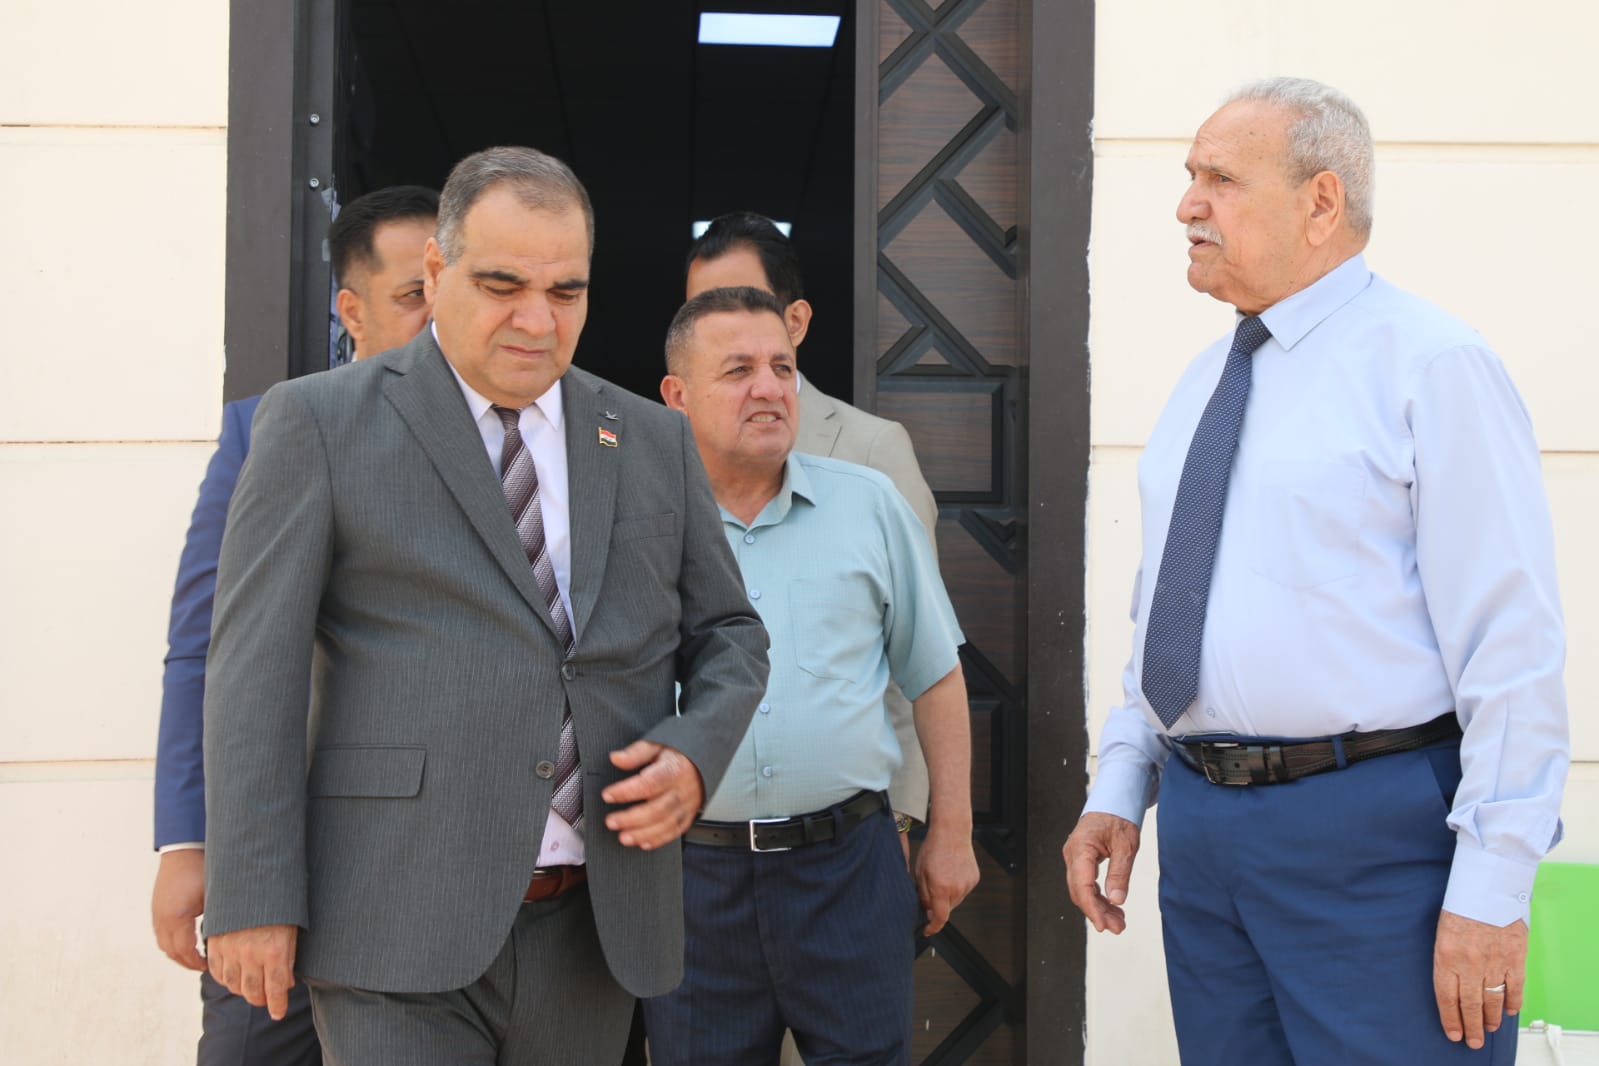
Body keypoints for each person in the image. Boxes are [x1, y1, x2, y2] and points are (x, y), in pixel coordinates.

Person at [200, 147, 770, 1066]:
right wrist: (252, 893)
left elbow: (730, 635)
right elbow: (251, 672)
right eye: (503, 285)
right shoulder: (318, 424)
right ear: (436, 271)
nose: (537, 320)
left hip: (591, 928)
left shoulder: (649, 439)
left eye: (566, 291)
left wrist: (697, 751)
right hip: (391, 915)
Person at [1062, 77, 1568, 1065]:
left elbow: (1511, 647)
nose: (1187, 204)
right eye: (1189, 177)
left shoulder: (1432, 366)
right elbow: (1167, 618)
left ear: (1321, 202)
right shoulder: (1201, 384)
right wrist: (1119, 784)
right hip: (1204, 834)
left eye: (1220, 180)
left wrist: (1492, 890)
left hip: (1374, 839)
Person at [644, 285, 979, 1065]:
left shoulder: (868, 505)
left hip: (848, 870)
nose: (768, 388)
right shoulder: (637, 524)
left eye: (782, 367)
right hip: (688, 882)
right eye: (738, 370)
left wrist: (951, 835)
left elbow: (935, 675)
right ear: (676, 397)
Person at [150, 183, 439, 1066]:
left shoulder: (523, 446)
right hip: (286, 858)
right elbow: (204, 647)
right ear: (352, 311)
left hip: (440, 877)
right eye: (412, 294)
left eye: (452, 285)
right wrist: (189, 842)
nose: (439, 316)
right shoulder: (266, 428)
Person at [686, 211, 938, 845]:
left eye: (743, 299)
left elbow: (915, 659)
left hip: (851, 836)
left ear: (795, 321)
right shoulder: (655, 457)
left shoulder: (873, 451)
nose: (724, 320)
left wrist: (902, 814)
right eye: (703, 307)